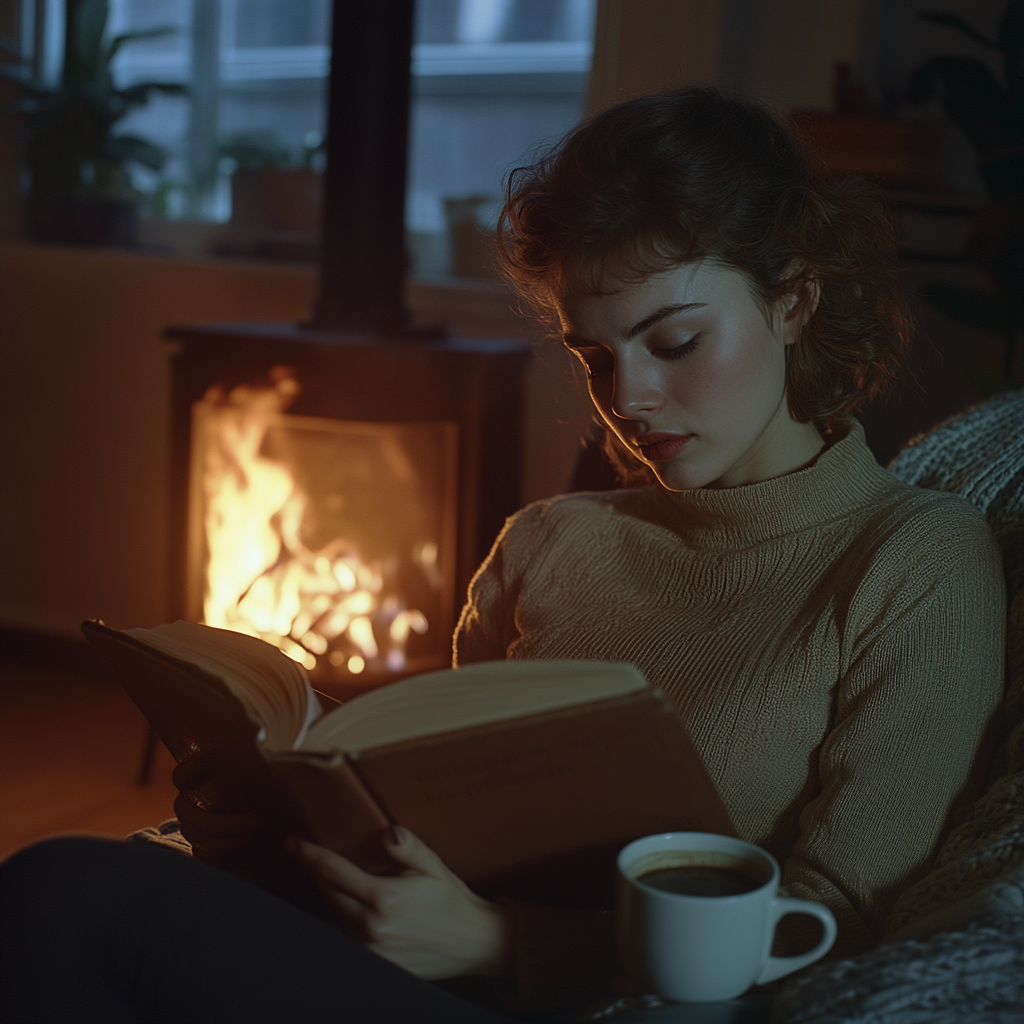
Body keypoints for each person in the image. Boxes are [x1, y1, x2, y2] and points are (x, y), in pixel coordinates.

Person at [0, 86, 1005, 1023]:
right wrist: (262, 821)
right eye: (596, 356)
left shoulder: (915, 562)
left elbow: (840, 930)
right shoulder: (551, 539)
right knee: (74, 887)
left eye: (675, 340)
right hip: (410, 966)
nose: (630, 397)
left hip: (575, 1002)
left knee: (69, 897)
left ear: (793, 300)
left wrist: (499, 944)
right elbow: (429, 820)